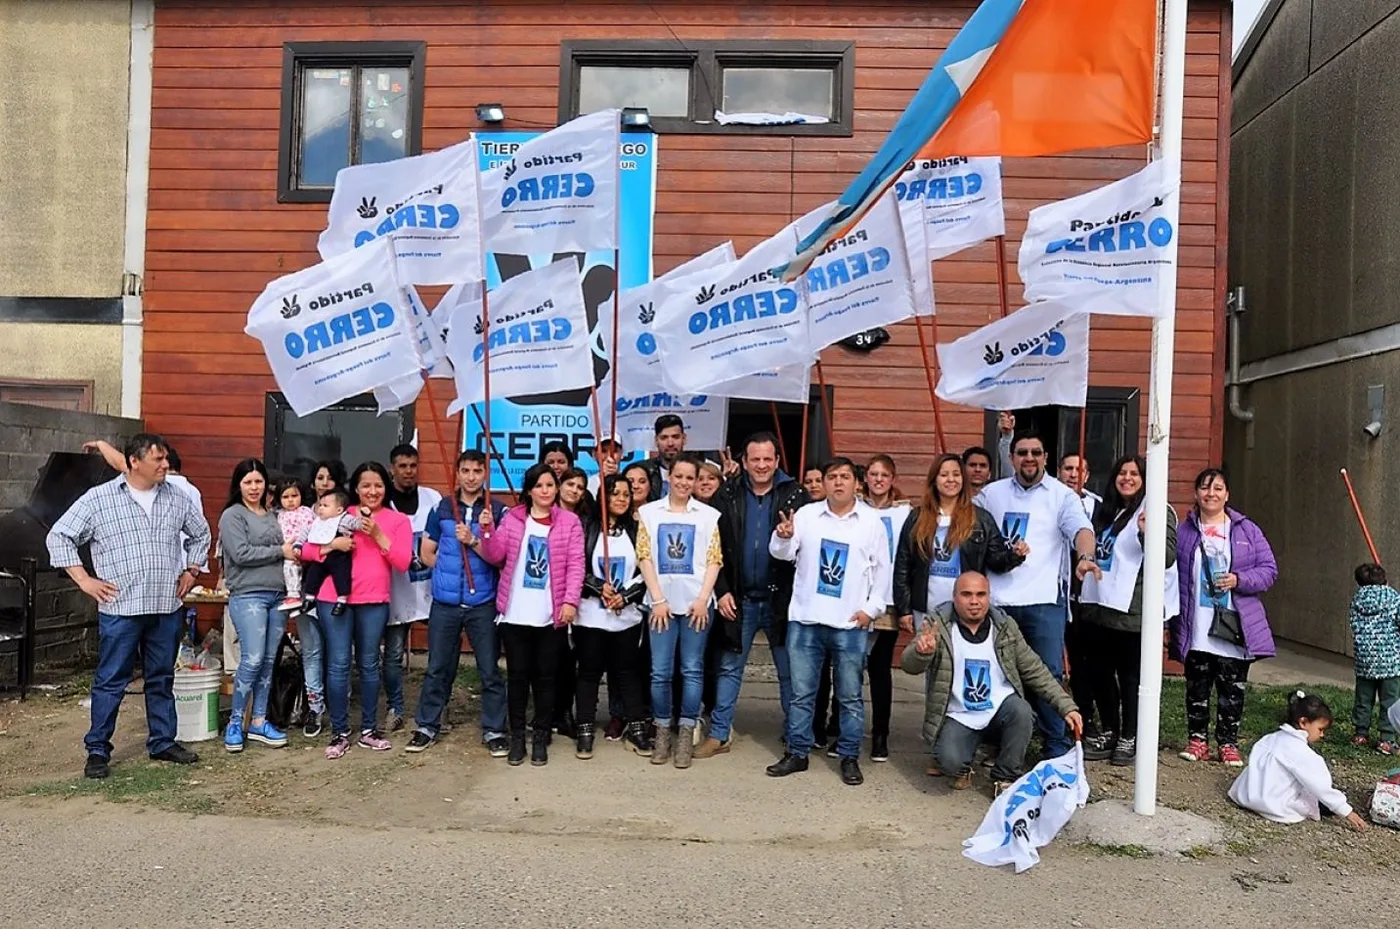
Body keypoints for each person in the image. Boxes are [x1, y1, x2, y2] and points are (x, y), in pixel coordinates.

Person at [47, 434, 211, 779]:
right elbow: (59, 536)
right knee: (111, 680)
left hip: (166, 604)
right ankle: (97, 750)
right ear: (134, 462)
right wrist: (84, 581)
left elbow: (201, 534)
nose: (166, 465)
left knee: (161, 677)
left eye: (165, 458)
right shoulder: (99, 499)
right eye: (158, 459)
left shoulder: (177, 498)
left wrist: (192, 570)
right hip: (121, 607)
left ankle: (163, 741)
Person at [974, 432, 1098, 759]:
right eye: (1022, 452)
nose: (1029, 457)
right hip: (998, 603)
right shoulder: (991, 494)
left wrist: (1085, 558)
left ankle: (1055, 749)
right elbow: (966, 528)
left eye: (1036, 452)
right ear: (1012, 457)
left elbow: (1082, 531)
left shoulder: (1062, 496)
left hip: (1044, 602)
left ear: (1045, 458)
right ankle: (999, 743)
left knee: (1048, 676)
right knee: (998, 676)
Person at [766, 457, 888, 787]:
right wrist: (783, 536)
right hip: (807, 618)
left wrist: (871, 610)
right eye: (832, 477)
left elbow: (882, 572)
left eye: (844, 477)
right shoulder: (806, 516)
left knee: (849, 696)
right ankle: (797, 752)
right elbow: (782, 554)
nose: (837, 482)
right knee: (802, 694)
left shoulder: (871, 522)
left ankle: (849, 755)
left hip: (849, 623)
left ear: (856, 483)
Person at [901, 572, 1083, 792]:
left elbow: (1036, 670)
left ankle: (1004, 777)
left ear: (989, 596)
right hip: (959, 714)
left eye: (981, 594)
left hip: (1000, 710)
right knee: (948, 761)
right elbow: (909, 665)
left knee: (1022, 711)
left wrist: (1066, 706)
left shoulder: (1005, 627)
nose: (974, 601)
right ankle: (963, 765)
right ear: (954, 597)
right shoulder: (938, 624)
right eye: (966, 594)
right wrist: (922, 653)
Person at [700, 433, 807, 759]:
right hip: (739, 597)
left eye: (767, 459)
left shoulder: (796, 495)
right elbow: (712, 547)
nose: (761, 465)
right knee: (729, 668)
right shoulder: (727, 494)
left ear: (777, 461)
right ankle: (719, 734)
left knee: (789, 673)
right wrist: (722, 591)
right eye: (754, 459)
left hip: (782, 600)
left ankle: (795, 735)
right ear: (744, 462)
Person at [298, 461, 412, 759]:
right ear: (355, 488)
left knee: (369, 664)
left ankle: (369, 730)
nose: (372, 491)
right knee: (337, 664)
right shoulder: (338, 512)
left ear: (385, 487)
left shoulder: (397, 521)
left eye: (378, 485)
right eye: (365, 485)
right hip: (333, 597)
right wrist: (333, 544)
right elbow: (306, 550)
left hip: (374, 600)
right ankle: (339, 732)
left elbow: (402, 561)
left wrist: (376, 533)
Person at [479, 463, 585, 767]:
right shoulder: (513, 519)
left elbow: (577, 564)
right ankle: (516, 739)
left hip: (549, 612)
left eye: (550, 485)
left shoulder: (569, 522)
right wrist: (486, 530)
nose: (545, 491)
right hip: (515, 612)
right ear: (529, 490)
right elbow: (496, 555)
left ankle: (540, 736)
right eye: (539, 486)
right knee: (517, 677)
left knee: (545, 678)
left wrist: (570, 601)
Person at [406, 450, 510, 757]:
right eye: (465, 470)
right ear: (457, 472)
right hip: (446, 603)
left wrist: (480, 537)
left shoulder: (497, 511)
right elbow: (427, 553)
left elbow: (501, 557)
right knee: (438, 667)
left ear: (485, 473)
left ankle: (494, 729)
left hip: (483, 603)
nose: (471, 476)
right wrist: (449, 573)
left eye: (477, 471)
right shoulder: (442, 508)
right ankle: (426, 725)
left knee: (489, 669)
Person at [1172, 467, 1277, 767]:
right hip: (1197, 625)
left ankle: (1228, 743)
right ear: (1196, 494)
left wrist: (1238, 579)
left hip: (1234, 625)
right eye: (1205, 488)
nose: (1211, 494)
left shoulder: (1246, 530)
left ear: (1227, 494)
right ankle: (1197, 740)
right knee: (1197, 687)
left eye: (1218, 488)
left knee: (1232, 690)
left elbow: (1269, 570)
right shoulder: (1185, 530)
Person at [1079, 455, 1178, 766]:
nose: (1127, 478)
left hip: (1131, 613)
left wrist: (1147, 533)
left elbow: (1167, 557)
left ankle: (1130, 735)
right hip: (1098, 608)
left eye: (1135, 473)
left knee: (1130, 678)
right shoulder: (1107, 511)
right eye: (1121, 472)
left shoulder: (1158, 509)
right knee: (1100, 675)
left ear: (1145, 479)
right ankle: (1110, 729)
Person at [637, 453, 722, 768]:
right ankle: (662, 729)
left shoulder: (708, 515)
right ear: (670, 477)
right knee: (660, 671)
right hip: (661, 605)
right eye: (680, 476)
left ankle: (687, 729)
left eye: (691, 478)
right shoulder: (649, 513)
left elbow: (714, 559)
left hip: (696, 605)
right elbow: (644, 555)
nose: (685, 483)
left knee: (691, 669)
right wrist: (657, 599)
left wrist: (703, 598)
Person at [218, 458, 294, 753]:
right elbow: (240, 553)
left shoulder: (272, 514)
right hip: (248, 594)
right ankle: (236, 721)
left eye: (258, 481)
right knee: (251, 659)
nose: (253, 487)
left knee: (267, 661)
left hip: (278, 595)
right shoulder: (232, 516)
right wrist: (281, 551)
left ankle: (260, 721)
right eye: (248, 482)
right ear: (238, 485)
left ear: (266, 485)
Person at [575, 474, 654, 757]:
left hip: (626, 616)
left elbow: (646, 570)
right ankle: (584, 727)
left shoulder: (637, 529)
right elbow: (576, 566)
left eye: (625, 494)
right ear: (602, 497)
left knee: (627, 673)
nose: (621, 498)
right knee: (588, 673)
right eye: (614, 493)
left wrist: (626, 596)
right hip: (591, 617)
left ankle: (636, 727)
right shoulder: (587, 526)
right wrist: (599, 587)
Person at [1228, 691, 1368, 831]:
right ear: (1303, 722)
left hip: (1246, 795)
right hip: (1273, 805)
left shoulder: (1269, 738)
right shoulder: (1303, 754)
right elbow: (1320, 786)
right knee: (1320, 799)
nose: (1321, 735)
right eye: (1320, 729)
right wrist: (1347, 811)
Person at [854, 454, 911, 763]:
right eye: (873, 474)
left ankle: (880, 734)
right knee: (850, 664)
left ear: (892, 479)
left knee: (879, 668)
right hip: (857, 599)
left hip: (888, 599)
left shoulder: (904, 513)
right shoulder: (855, 508)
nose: (878, 479)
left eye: (884, 475)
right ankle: (841, 725)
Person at [384, 444, 443, 732]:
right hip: (397, 589)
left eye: (413, 465)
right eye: (402, 465)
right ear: (392, 468)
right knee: (394, 654)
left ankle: (436, 709)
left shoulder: (432, 498)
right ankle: (395, 707)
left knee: (439, 652)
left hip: (432, 589)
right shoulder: (384, 503)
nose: (408, 471)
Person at [1059, 451, 1105, 741]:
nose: (1073, 474)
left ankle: (1087, 719)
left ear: (1086, 475)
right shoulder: (1049, 500)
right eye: (1067, 468)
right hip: (1054, 589)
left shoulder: (1100, 507)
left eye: (1079, 469)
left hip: (1087, 593)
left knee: (1084, 661)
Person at [1349, 563, 1400, 754]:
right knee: (1389, 700)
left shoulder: (1357, 599)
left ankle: (1360, 733)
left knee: (1363, 698)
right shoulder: (1394, 598)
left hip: (1365, 661)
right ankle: (1386, 739)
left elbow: (1353, 624)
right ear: (1384, 579)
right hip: (1390, 662)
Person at [295, 489, 367, 615]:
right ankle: (310, 598)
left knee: (342, 575)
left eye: (325, 506)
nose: (321, 508)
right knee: (313, 573)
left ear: (339, 510)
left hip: (339, 557)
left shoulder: (344, 519)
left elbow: (357, 524)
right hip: (321, 557)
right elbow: (305, 532)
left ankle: (342, 600)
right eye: (320, 505)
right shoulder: (317, 522)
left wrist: (365, 516)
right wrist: (298, 544)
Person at [273, 477, 315, 613]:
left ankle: (294, 595)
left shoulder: (305, 512)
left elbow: (309, 530)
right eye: (285, 497)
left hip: (301, 546)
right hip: (285, 548)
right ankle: (292, 595)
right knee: (288, 570)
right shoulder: (279, 515)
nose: (290, 500)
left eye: (294, 495)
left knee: (292, 568)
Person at [634, 413, 686, 502]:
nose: (670, 443)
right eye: (664, 438)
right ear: (656, 440)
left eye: (675, 437)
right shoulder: (641, 470)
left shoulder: (698, 470)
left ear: (684, 438)